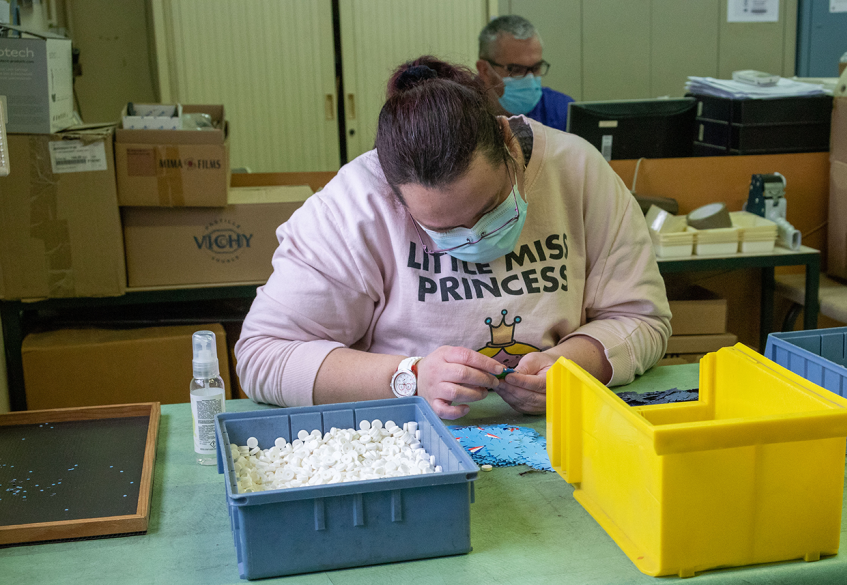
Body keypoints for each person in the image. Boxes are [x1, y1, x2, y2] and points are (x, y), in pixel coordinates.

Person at [236, 56, 670, 420]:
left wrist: (575, 364)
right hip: (405, 437)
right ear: (392, 192)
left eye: (489, 209)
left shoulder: (576, 171)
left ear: (505, 140)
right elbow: (262, 357)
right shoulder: (352, 206)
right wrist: (410, 376)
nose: (474, 238)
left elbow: (643, 318)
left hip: (558, 430)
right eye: (442, 229)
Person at [476, 15, 574, 131]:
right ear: (485, 70)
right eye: (516, 70)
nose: (530, 79)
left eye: (536, 68)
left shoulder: (563, 112)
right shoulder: (460, 113)